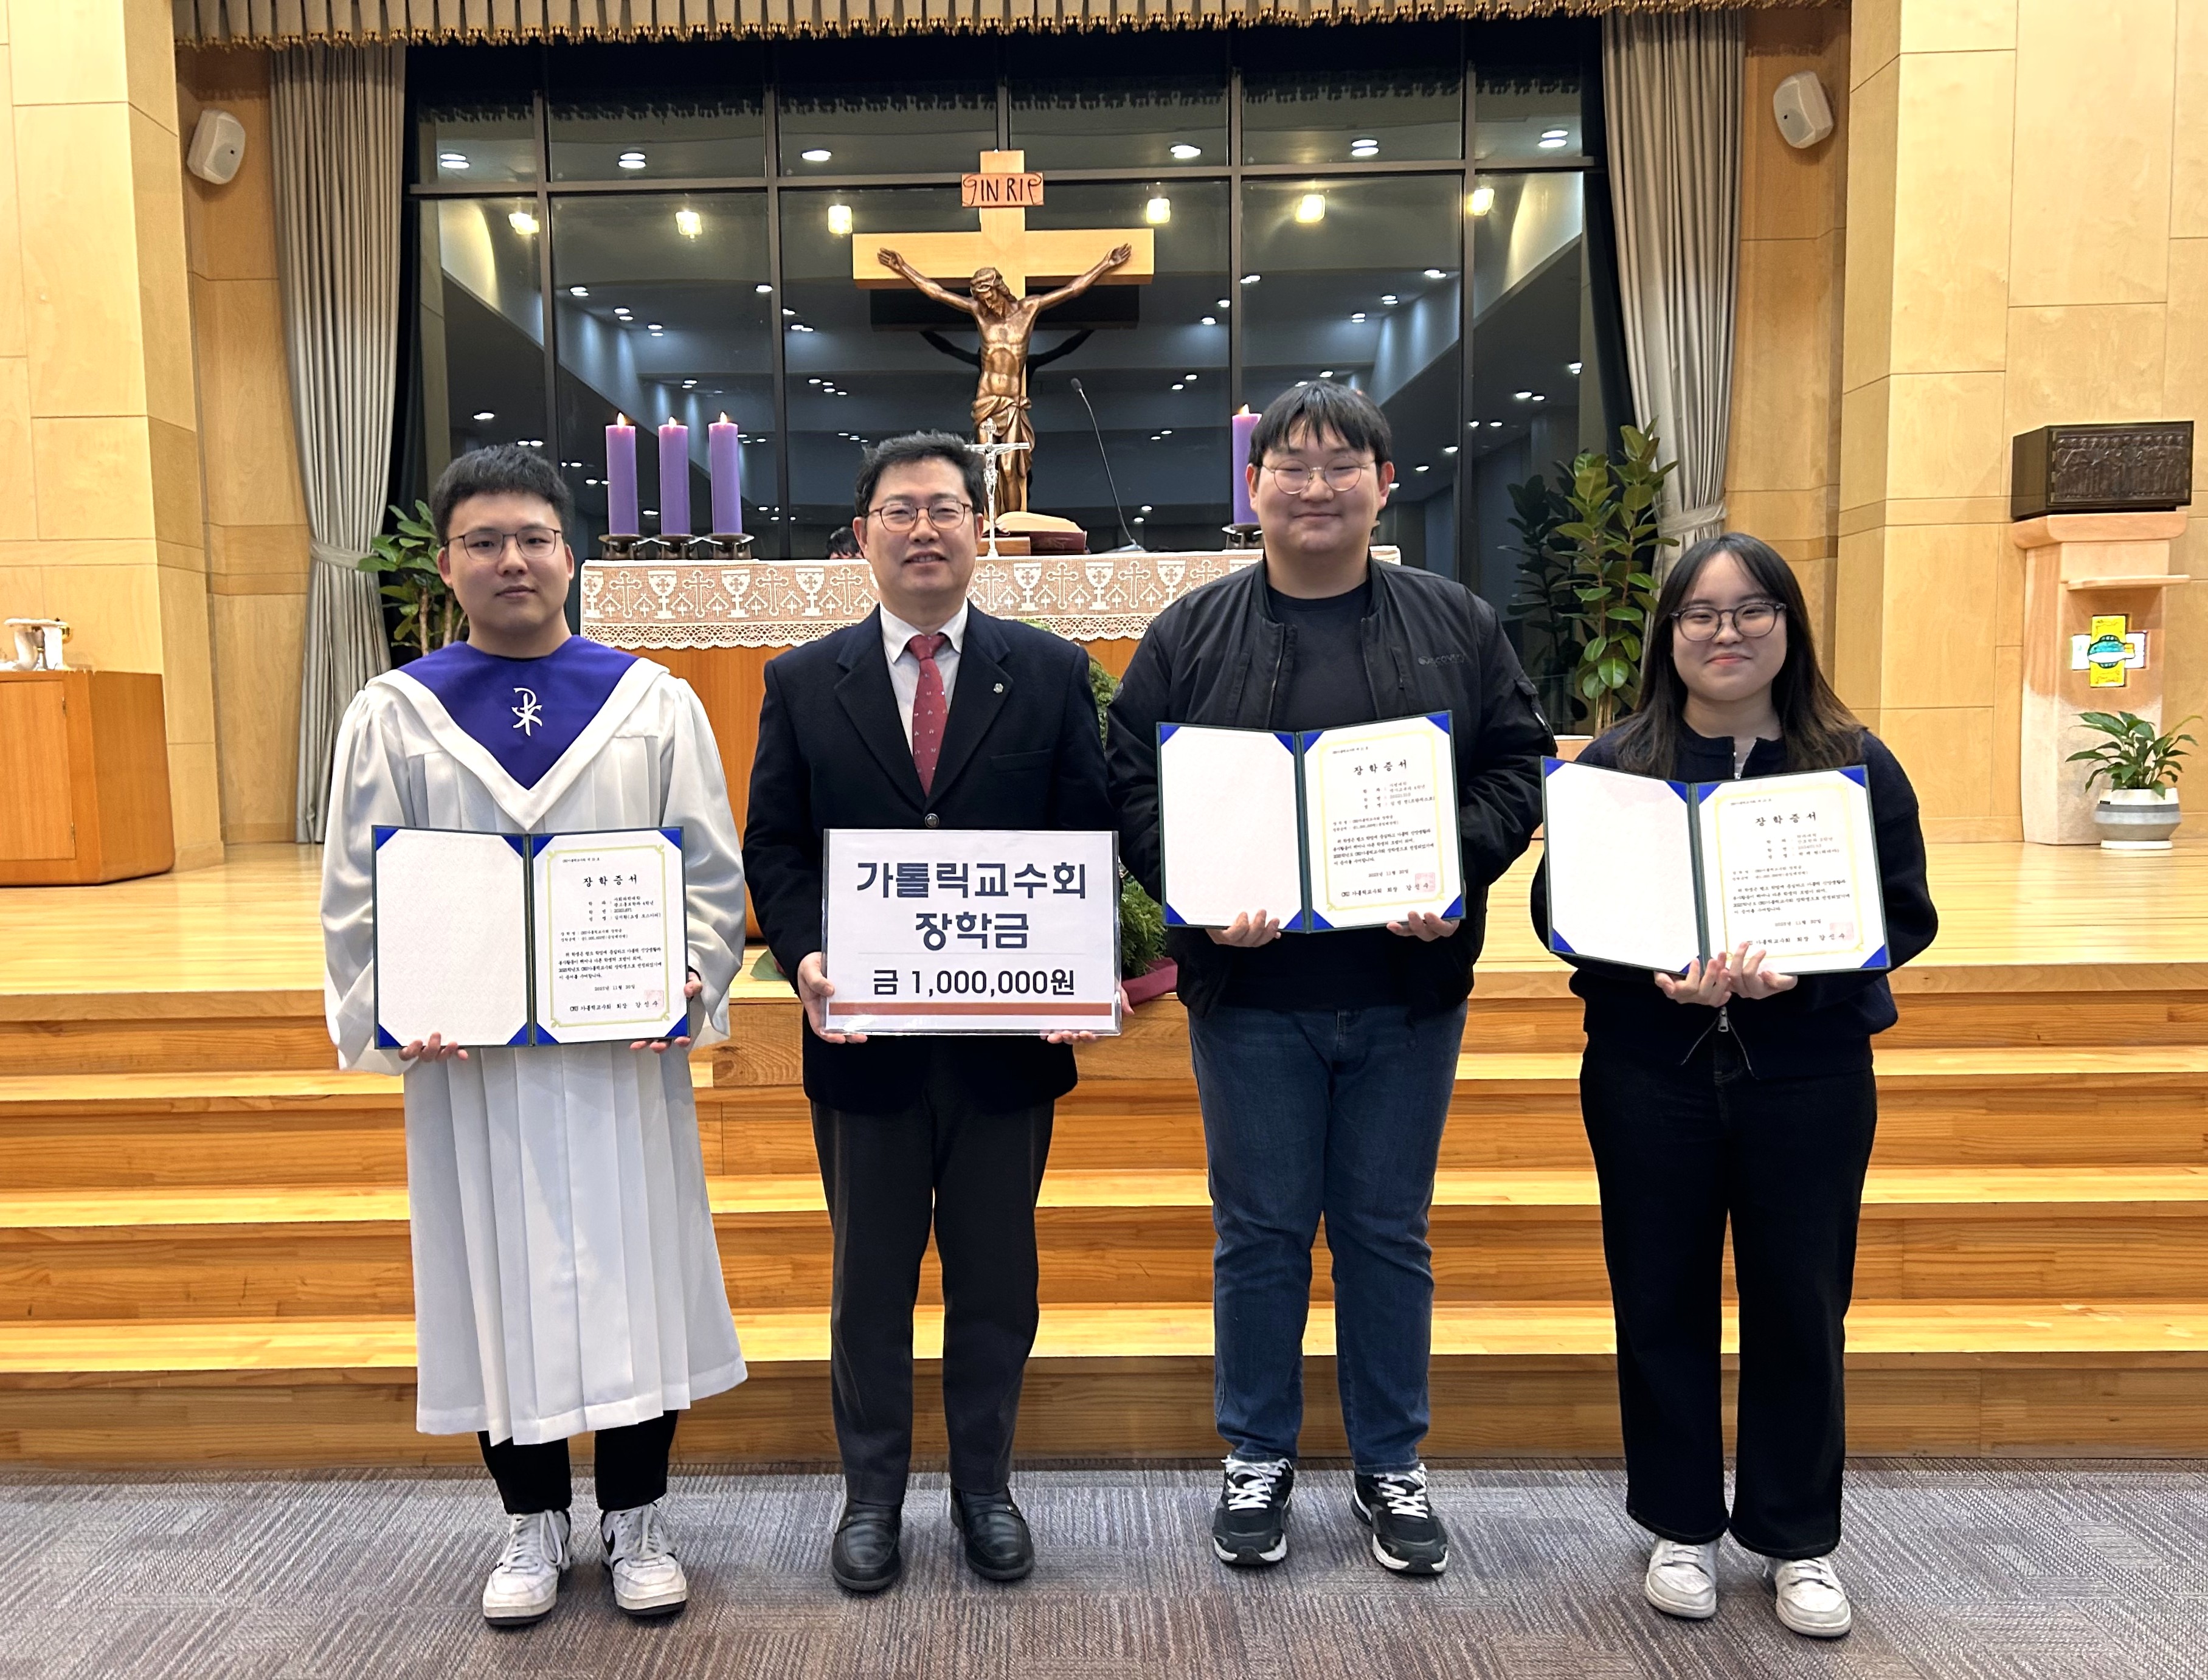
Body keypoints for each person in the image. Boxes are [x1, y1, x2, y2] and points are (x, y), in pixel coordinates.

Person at [1106, 382, 1552, 1576]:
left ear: (1382, 482)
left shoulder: (1452, 621)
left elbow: (1520, 762)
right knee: (1257, 1232)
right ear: (1253, 488)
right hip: (1252, 997)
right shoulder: (1188, 635)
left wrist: (1453, 860)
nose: (1314, 484)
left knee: (1384, 1231)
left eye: (1338, 463)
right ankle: (1255, 1453)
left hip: (1407, 988)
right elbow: (1130, 783)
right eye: (1290, 464)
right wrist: (1198, 883)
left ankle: (1389, 1462)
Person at [320, 446, 747, 1626]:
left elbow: (710, 876)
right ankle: (529, 1521)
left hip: (618, 1062)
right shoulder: (396, 712)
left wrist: (691, 978)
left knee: (636, 1273)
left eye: (535, 537)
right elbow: (355, 889)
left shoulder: (650, 700)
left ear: (572, 553)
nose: (513, 559)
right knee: (488, 1279)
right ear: (448, 562)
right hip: (477, 1071)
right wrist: (395, 1008)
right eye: (485, 540)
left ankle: (638, 1513)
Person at [1532, 533, 1937, 1639]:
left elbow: (1907, 913)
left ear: (1788, 626)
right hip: (1648, 1073)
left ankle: (1797, 1539)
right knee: (1657, 1296)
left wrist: (1807, 964)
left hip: (1804, 1073)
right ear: (1670, 634)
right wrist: (1650, 970)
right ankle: (1680, 1524)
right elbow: (1557, 916)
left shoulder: (1852, 761)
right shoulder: (1615, 764)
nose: (1727, 633)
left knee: (1802, 1305)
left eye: (1752, 610)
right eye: (1702, 615)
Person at [742, 430, 1115, 1593]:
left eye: (946, 509)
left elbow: (1088, 838)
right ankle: (872, 1498)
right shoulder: (804, 682)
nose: (923, 530)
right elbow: (777, 843)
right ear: (862, 536)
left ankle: (985, 1488)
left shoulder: (1048, 672)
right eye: (899, 510)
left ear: (979, 530)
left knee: (998, 1280)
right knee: (870, 1283)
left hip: (1008, 1042)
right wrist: (803, 955)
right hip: (863, 1045)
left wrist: (1078, 964)